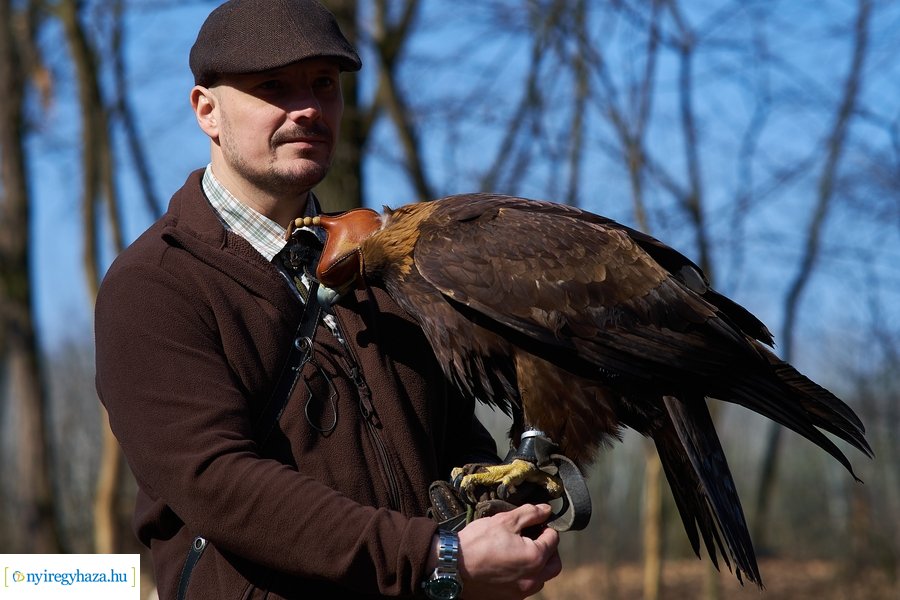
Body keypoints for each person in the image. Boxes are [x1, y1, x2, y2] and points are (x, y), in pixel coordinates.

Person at [94, 1, 562, 598]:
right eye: (274, 88)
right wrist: (436, 558)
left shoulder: (388, 266)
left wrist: (503, 513)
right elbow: (217, 482)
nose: (308, 108)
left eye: (323, 84)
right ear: (206, 111)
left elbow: (452, 443)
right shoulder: (154, 286)